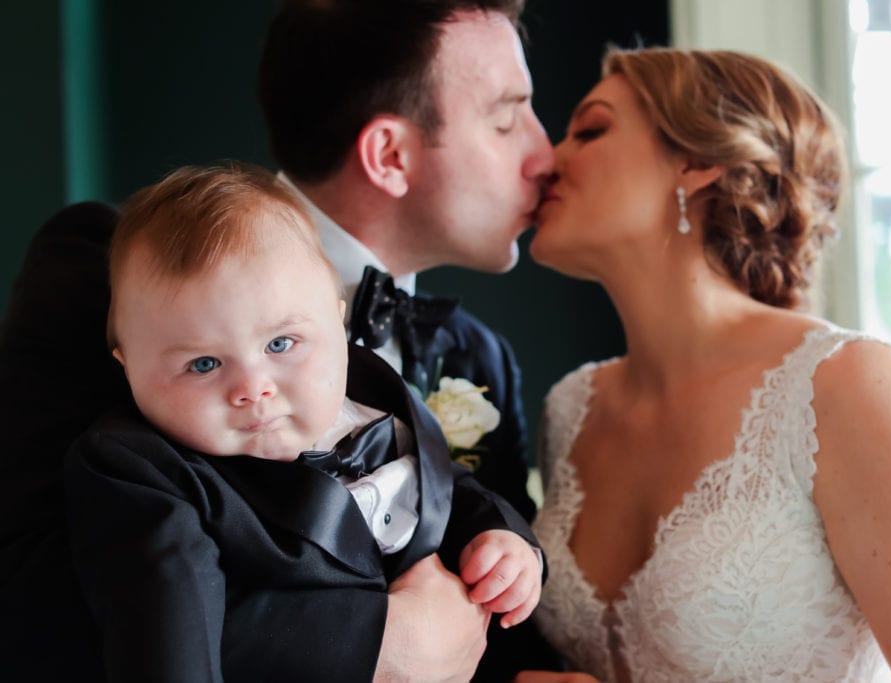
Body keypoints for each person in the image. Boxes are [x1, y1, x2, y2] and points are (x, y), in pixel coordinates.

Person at [0, 1, 557, 680]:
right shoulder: (112, 264)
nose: (545, 156)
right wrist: (369, 641)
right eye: (506, 118)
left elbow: (500, 590)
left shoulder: (477, 356)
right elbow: (37, 583)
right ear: (389, 154)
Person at [515, 47, 891, 682]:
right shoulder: (570, 408)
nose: (545, 159)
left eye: (590, 130)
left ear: (700, 163)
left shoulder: (845, 385)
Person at [64, 163, 543, 682]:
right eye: (203, 363)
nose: (253, 388)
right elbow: (172, 641)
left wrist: (500, 540)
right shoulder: (142, 469)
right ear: (127, 366)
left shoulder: (375, 408)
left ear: (338, 327)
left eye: (280, 344)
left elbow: (450, 490)